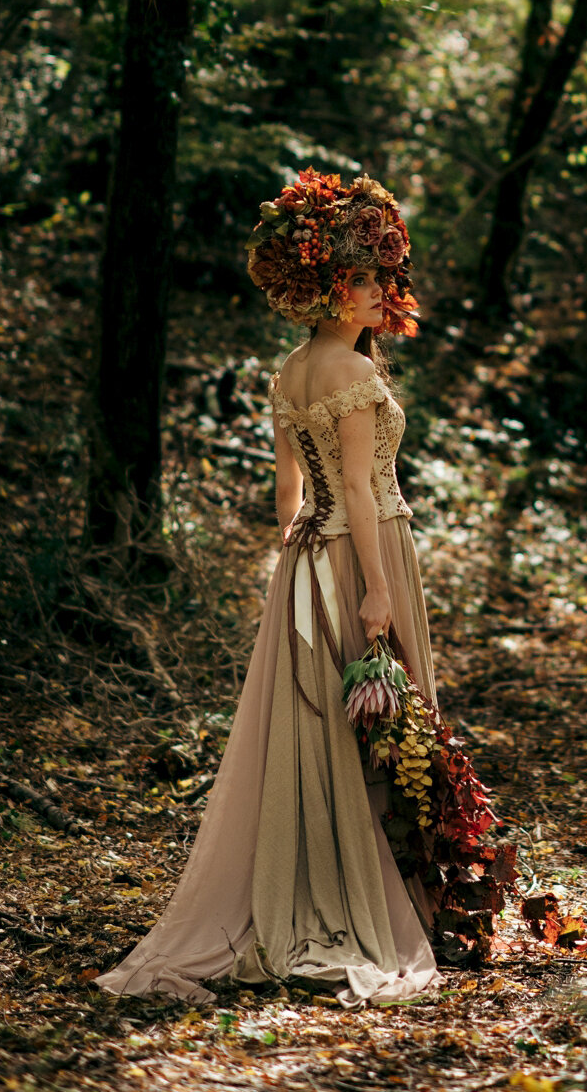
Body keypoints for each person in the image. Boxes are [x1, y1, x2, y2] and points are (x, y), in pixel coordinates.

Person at [98, 169, 442, 1007]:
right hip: (364, 550)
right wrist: (372, 589)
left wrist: (299, 555)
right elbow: (359, 490)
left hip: (306, 559)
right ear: (326, 282)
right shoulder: (351, 376)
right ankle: (370, 897)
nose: (376, 292)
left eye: (378, 278)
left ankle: (322, 877)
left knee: (320, 725)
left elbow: (287, 492)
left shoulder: (292, 369)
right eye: (361, 279)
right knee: (374, 720)